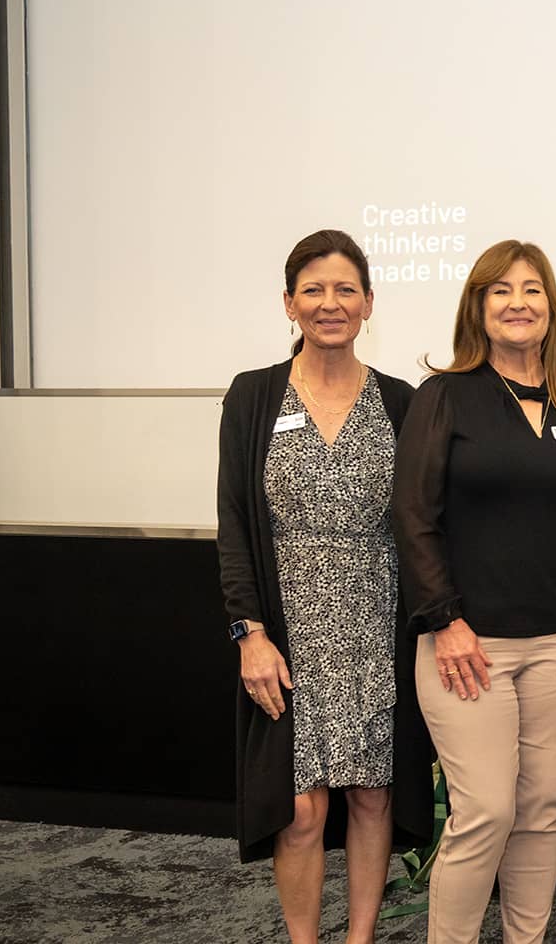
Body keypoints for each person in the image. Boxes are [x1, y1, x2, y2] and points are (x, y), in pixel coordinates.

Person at [393, 239, 556, 944]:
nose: (518, 302)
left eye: (531, 289)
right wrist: (445, 621)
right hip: (470, 647)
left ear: (551, 308)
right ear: (478, 307)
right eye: (500, 290)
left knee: (541, 808)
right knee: (486, 811)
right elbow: (413, 516)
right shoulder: (444, 396)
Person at [215, 229, 432, 944]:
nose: (329, 303)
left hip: (376, 621)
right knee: (302, 810)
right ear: (289, 302)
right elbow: (236, 526)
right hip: (289, 629)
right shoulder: (253, 398)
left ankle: (360, 937)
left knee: (374, 796)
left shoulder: (403, 403)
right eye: (313, 289)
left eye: (345, 289)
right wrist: (250, 634)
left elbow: (420, 524)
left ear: (369, 303)